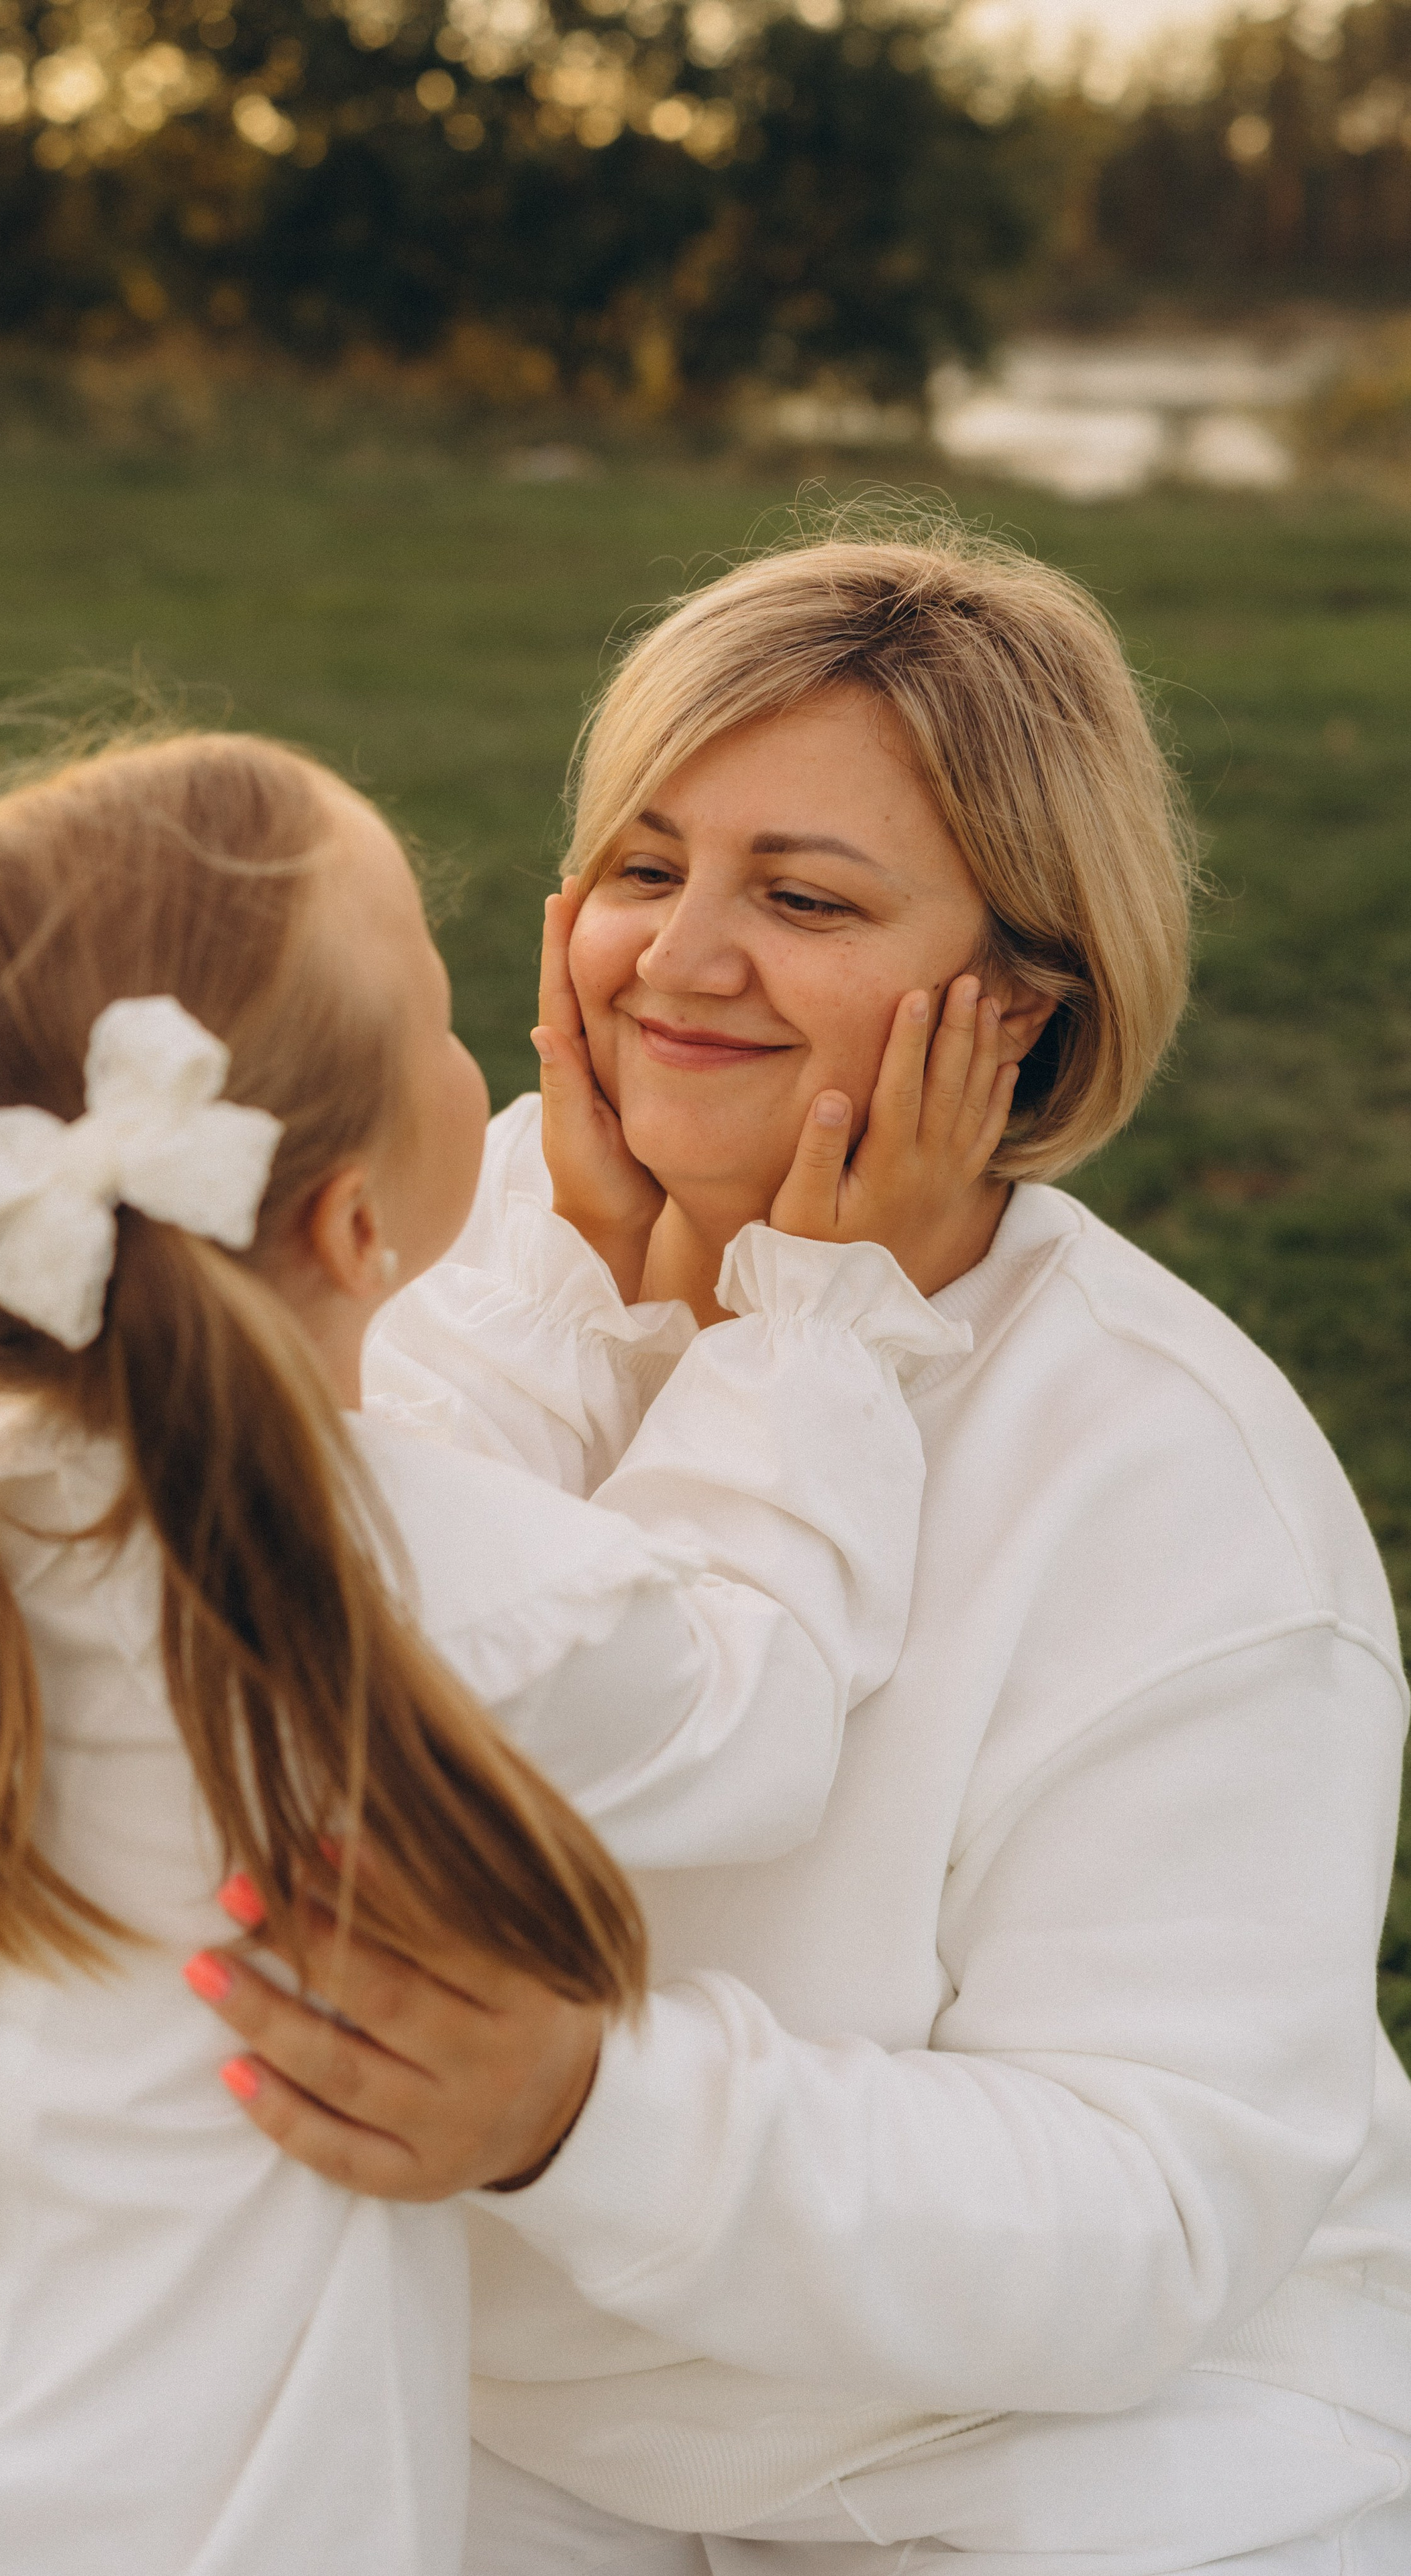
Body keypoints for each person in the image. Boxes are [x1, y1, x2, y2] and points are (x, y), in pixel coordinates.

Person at [176, 525, 1411, 2575]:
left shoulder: (1182, 1495)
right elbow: (304, 1743)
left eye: (805, 897)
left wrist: (584, 2115)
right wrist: (43, 1809)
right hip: (479, 2400)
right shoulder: (422, 1265)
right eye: (645, 870)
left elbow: (1151, 2222)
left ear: (1021, 1001)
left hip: (1017, 2456)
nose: (675, 963)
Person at [0, 727, 1009, 2574]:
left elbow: (371, 1441)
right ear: (351, 1222)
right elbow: (760, 1691)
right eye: (444, 1017)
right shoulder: (453, 1600)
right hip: (185, 2487)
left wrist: (577, 1268)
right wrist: (827, 1308)